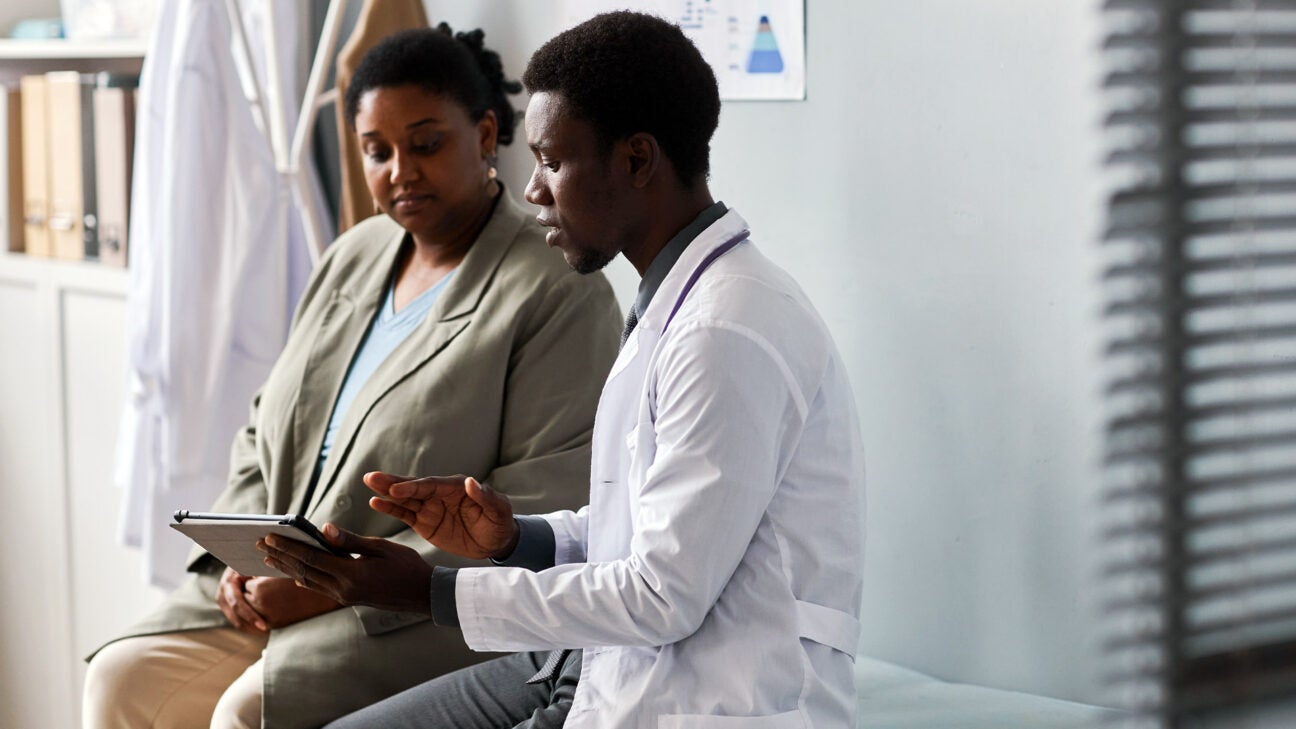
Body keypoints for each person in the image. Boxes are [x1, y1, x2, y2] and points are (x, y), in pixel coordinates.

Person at [261, 11, 865, 729]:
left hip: (713, 697)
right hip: (613, 660)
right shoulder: (676, 303)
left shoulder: (725, 334)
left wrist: (432, 590)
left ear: (637, 161)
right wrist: (516, 538)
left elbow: (660, 594)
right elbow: (647, 526)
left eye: (550, 160)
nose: (534, 190)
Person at [82, 25, 622, 729]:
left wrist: (329, 585)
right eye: (377, 151)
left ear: (486, 134)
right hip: (275, 587)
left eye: (425, 143)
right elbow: (261, 429)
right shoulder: (354, 255)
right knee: (120, 677)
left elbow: (540, 503)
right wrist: (240, 556)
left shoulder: (553, 288)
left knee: (247, 712)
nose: (400, 170)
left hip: (410, 610)